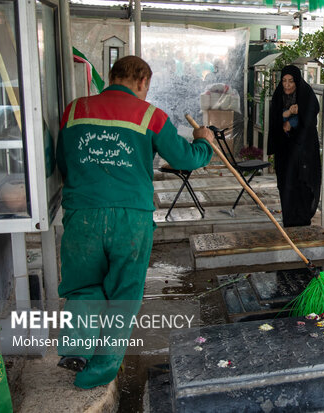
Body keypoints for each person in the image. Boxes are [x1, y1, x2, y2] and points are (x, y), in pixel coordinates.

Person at [55, 55, 214, 389]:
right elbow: (185, 159)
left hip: (83, 215)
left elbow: (63, 162)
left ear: (112, 77)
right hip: (131, 220)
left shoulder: (74, 110)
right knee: (124, 294)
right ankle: (98, 372)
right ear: (143, 82)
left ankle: (75, 347)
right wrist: (204, 142)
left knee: (84, 286)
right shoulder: (150, 116)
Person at [268, 65, 322, 227]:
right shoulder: (278, 96)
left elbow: (310, 121)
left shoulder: (306, 96)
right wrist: (286, 117)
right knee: (286, 185)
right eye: (284, 81)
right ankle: (290, 220)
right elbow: (274, 121)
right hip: (285, 151)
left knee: (304, 184)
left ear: (297, 81)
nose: (287, 85)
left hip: (304, 150)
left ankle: (304, 218)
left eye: (291, 81)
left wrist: (294, 126)